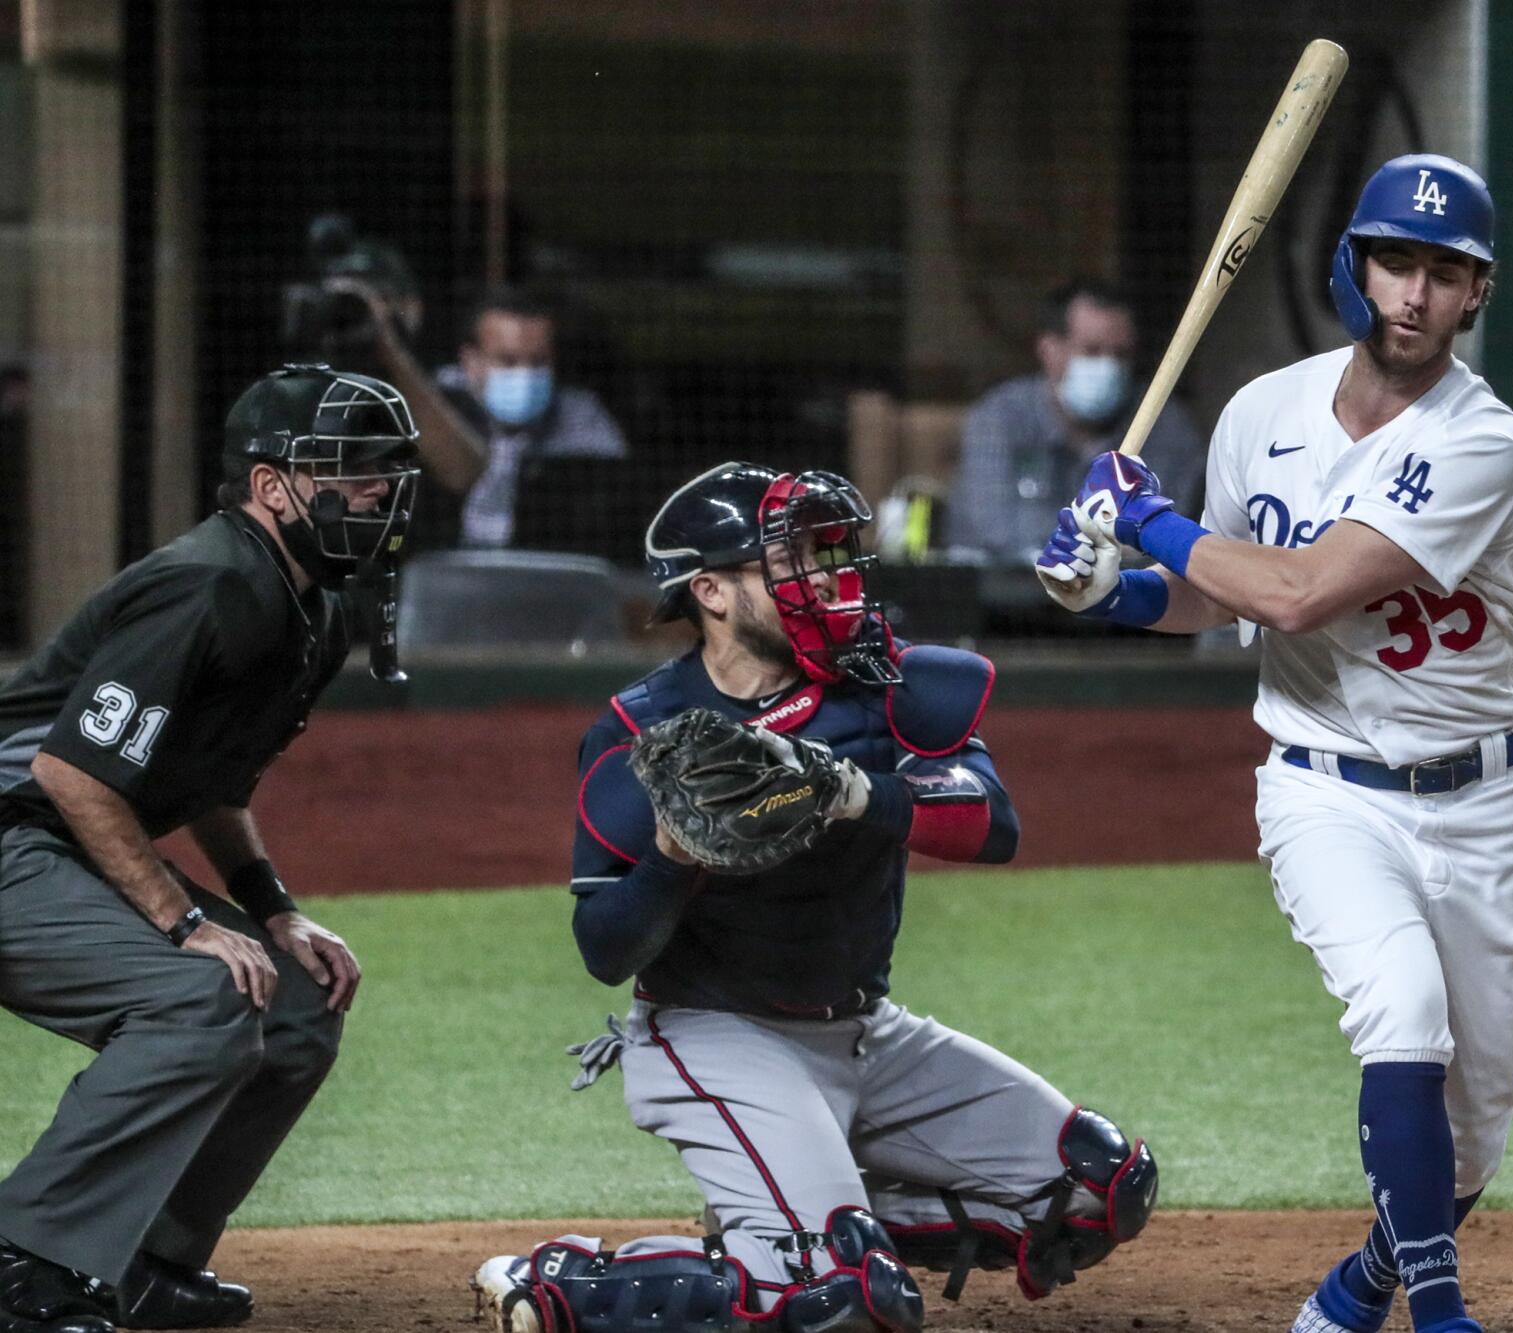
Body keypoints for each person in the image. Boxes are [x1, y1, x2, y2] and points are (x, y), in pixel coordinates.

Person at [1036, 155, 1513, 1333]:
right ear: (1353, 268)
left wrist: (1144, 517)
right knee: (1401, 1014)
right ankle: (1438, 1310)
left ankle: (1362, 1282)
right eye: (1396, 263)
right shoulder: (1261, 413)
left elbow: (1298, 593)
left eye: (1445, 273)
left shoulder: (1484, 444)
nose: (1415, 295)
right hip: (1324, 789)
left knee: (1469, 1140)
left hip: (1479, 807)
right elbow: (1215, 597)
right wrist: (1106, 590)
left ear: (1476, 294)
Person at [471, 462, 1157, 1333]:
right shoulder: (642, 733)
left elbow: (994, 824)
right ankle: (561, 1285)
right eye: (792, 560)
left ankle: (792, 1227)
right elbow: (605, 948)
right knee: (847, 1299)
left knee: (1096, 1188)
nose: (827, 577)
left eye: (830, 553)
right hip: (717, 1036)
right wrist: (676, 858)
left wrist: (852, 791)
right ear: (711, 591)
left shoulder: (881, 686)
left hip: (869, 1033)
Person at [0, 364, 420, 1333]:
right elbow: (73, 774)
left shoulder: (314, 603)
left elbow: (213, 782)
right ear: (272, 485)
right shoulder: (209, 583)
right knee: (199, 996)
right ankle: (26, 1256)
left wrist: (272, 909)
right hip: (20, 832)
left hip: (53, 841)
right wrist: (187, 922)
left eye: (387, 469)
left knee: (299, 1002)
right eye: (352, 468)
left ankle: (144, 1257)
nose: (379, 489)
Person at [341, 282, 631, 556]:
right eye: (508, 361)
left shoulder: (580, 414)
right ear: (470, 360)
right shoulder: (431, 401)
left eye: (538, 362)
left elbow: (612, 512)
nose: (525, 374)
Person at [949, 279, 1204, 565]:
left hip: (1123, 603)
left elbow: (1169, 535)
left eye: (1121, 354)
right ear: (1049, 351)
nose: (1109, 366)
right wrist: (1111, 539)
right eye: (1091, 351)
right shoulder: (1000, 418)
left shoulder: (1166, 426)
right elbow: (996, 527)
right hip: (1009, 602)